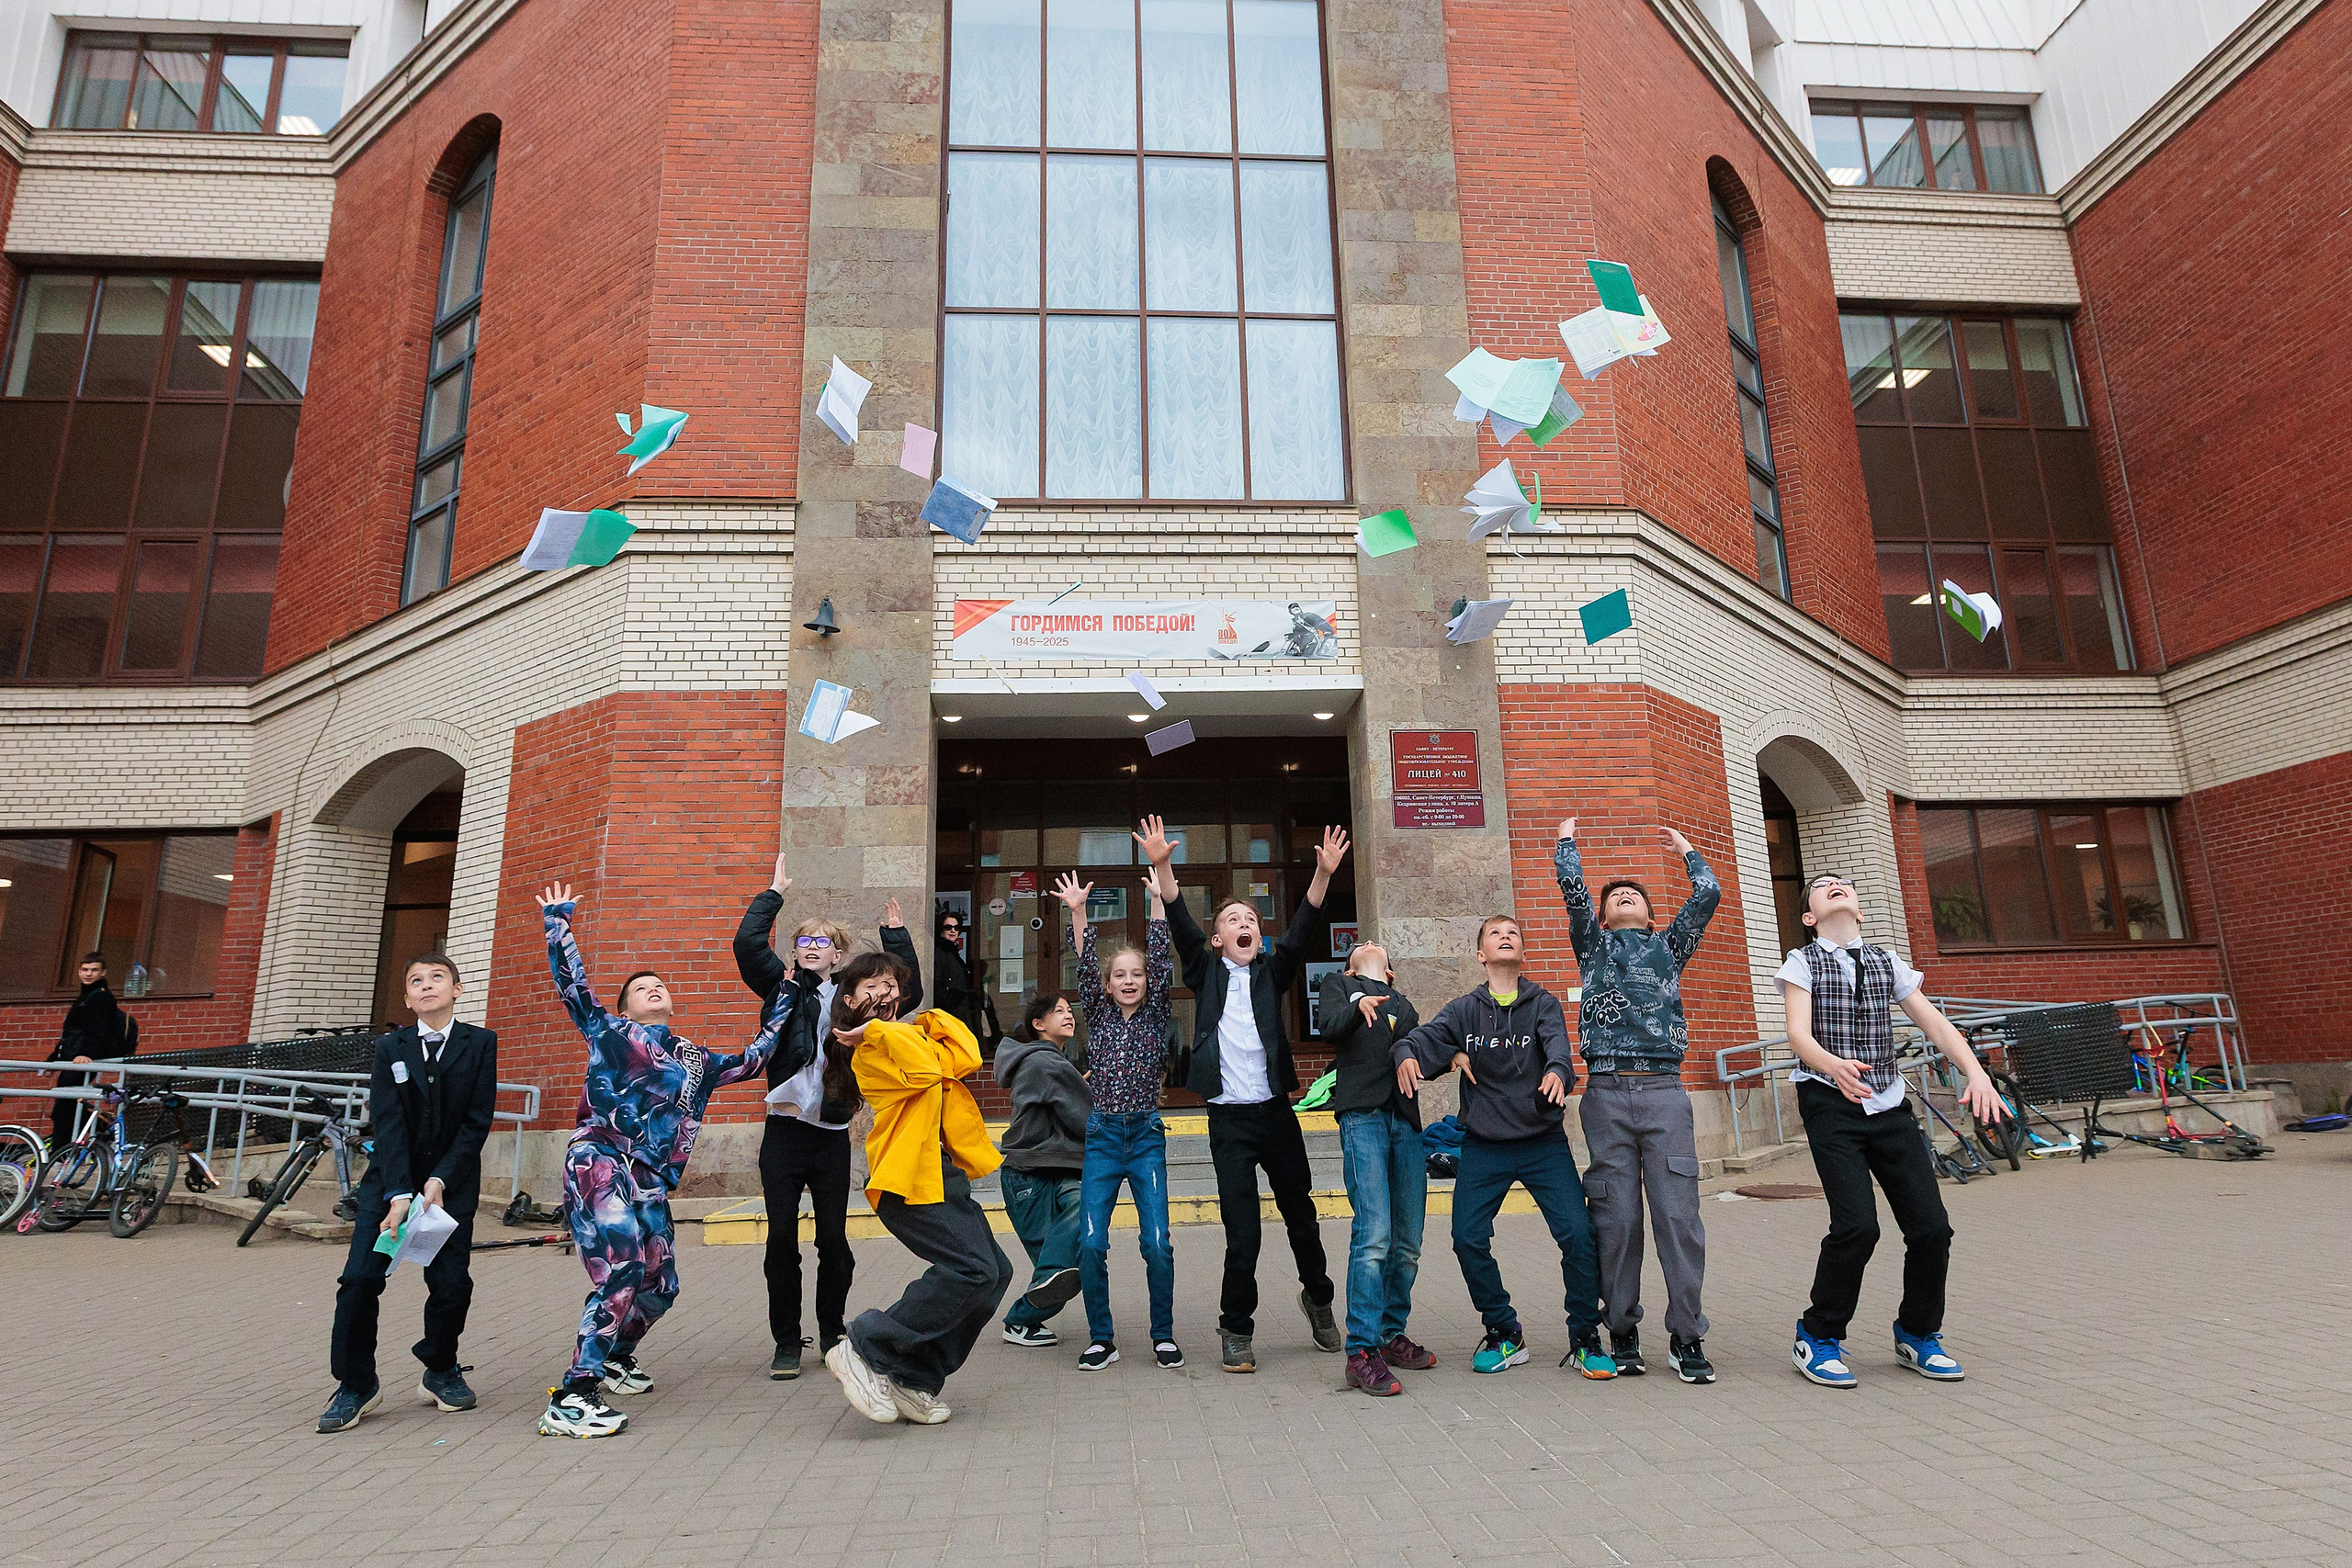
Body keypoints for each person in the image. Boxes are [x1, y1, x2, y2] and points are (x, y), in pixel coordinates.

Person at [536, 881, 791, 1438]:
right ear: (625, 1006)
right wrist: (559, 922)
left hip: (649, 1181)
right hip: (600, 1161)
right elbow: (572, 985)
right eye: (641, 987)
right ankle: (573, 1395)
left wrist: (788, 994)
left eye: (659, 985)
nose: (653, 989)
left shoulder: (693, 1059)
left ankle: (615, 1356)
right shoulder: (608, 1033)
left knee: (661, 1284)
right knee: (622, 1267)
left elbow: (754, 1060)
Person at [1780, 874, 2004, 1390]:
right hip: (1829, 1102)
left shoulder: (1887, 962)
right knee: (1858, 1225)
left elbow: (1937, 1026)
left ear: (1858, 909)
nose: (1836, 886)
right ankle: (1817, 1335)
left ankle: (1918, 1333)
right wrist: (1831, 1065)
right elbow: (1797, 1032)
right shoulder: (1802, 961)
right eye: (1822, 886)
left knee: (1931, 1229)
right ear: (1810, 916)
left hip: (1888, 1104)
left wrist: (1976, 1072)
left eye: (1843, 884)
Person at [1148, 815, 1351, 1373]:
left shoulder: (1272, 970)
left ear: (1259, 937)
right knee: (1243, 1232)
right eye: (1233, 919)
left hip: (1276, 1116)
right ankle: (1236, 1329)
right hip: (1228, 1123)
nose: (1244, 923)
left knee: (1301, 1216)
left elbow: (1306, 925)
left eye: (1251, 919)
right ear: (1219, 939)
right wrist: (1163, 865)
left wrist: (1322, 875)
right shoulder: (1203, 969)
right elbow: (1181, 920)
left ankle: (1319, 1298)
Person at [1394, 915, 1614, 1380]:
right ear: (1481, 955)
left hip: (1543, 1142)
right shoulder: (1464, 1010)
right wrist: (1408, 1055)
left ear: (1522, 951)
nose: (1506, 936)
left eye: (1513, 932)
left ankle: (1585, 1338)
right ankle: (1503, 1330)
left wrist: (1557, 1072)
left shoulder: (1543, 1004)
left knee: (1578, 1234)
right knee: (1467, 1238)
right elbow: (1421, 1038)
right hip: (1485, 1144)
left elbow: (1559, 1049)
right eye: (1496, 933)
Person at [731, 853, 923, 1381]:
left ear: (838, 954)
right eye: (804, 942)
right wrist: (773, 895)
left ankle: (833, 1330)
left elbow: (906, 994)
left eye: (824, 943)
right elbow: (748, 947)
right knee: (781, 1242)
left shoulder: (849, 997)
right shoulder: (780, 987)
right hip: (785, 1134)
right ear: (795, 951)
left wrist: (897, 937)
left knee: (834, 1242)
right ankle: (787, 1341)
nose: (813, 949)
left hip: (833, 1133)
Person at [1556, 818, 1722, 1384]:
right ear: (1603, 918)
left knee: (1678, 1218)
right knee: (1618, 1219)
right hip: (1605, 1093)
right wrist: (1567, 845)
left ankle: (1687, 1336)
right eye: (1615, 896)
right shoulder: (1593, 946)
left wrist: (1687, 851)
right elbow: (1574, 896)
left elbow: (1709, 896)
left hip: (1663, 1095)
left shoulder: (1668, 949)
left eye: (1636, 895)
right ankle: (1621, 1327)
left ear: (1652, 916)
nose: (1625, 896)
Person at [824, 953, 1013, 1426]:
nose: (885, 993)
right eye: (871, 987)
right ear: (849, 1001)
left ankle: (914, 1375)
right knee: (971, 1270)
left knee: (995, 1273)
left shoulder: (905, 1035)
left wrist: (923, 1017)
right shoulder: (867, 1049)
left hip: (939, 1174)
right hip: (903, 1181)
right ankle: (865, 1346)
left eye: (891, 985)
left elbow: (965, 1056)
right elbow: (926, 1072)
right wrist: (874, 1030)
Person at [317, 953, 500, 1433]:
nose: (426, 986)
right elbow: (389, 1122)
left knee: (450, 1284)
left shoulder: (480, 1044)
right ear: (406, 998)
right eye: (415, 981)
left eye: (437, 978)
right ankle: (355, 1384)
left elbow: (475, 1124)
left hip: (450, 1186)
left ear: (457, 989)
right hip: (389, 1185)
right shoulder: (390, 1048)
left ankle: (440, 1369)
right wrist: (400, 1192)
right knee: (358, 1280)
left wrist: (438, 1181)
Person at [1058, 860, 1182, 1371]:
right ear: (1107, 987)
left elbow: (1161, 955)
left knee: (1156, 1243)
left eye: (1137, 975)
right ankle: (1101, 1337)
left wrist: (1157, 900)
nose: (1129, 981)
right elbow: (1085, 964)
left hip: (1146, 1136)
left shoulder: (1155, 1013)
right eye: (1120, 976)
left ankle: (1163, 1334)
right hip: (1105, 1136)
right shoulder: (1100, 1011)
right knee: (1091, 1242)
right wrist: (1080, 912)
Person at [1316, 941, 1430, 1397]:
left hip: (1404, 1120)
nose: (1366, 942)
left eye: (1376, 945)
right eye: (1358, 945)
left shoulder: (1404, 1005)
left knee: (1408, 1240)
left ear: (1392, 972)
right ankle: (1360, 1350)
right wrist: (1357, 1001)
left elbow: (1416, 1046)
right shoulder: (1337, 985)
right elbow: (1328, 1028)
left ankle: (1389, 1330)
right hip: (1361, 1115)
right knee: (1374, 1233)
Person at [991, 986, 1090, 1350]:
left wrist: (1079, 1086)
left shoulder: (1048, 1063)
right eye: (1059, 1011)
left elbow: (1064, 1106)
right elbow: (1086, 1119)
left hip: (1054, 1168)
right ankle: (1018, 1322)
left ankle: (1024, 1317)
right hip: (1029, 1176)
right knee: (1058, 1276)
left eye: (1070, 1010)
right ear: (1038, 1024)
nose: (1069, 1015)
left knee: (1063, 1267)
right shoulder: (1047, 1062)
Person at [45, 953, 130, 1153]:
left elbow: (98, 1030)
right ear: (79, 971)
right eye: (85, 970)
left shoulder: (100, 996)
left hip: (82, 1060)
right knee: (66, 1105)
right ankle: (99, 1128)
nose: (88, 974)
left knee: (64, 1108)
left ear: (103, 973)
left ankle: (62, 1152)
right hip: (73, 1059)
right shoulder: (87, 995)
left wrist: (86, 1054)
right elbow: (72, 1031)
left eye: (93, 970)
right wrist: (54, 1058)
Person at [932, 908, 985, 1040]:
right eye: (948, 927)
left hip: (963, 1011)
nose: (953, 931)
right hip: (951, 1013)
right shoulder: (939, 953)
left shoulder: (953, 953)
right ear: (940, 929)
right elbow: (937, 984)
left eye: (956, 927)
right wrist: (952, 999)